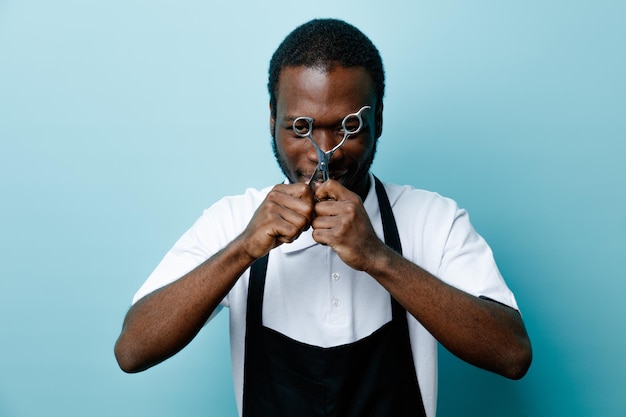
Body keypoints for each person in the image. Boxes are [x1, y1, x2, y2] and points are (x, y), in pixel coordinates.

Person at [114, 18, 532, 417]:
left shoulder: (432, 219)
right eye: (300, 127)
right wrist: (243, 248)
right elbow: (132, 351)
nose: (323, 152)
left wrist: (377, 256)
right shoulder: (233, 220)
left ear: (378, 120)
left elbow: (512, 354)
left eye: (347, 126)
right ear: (272, 118)